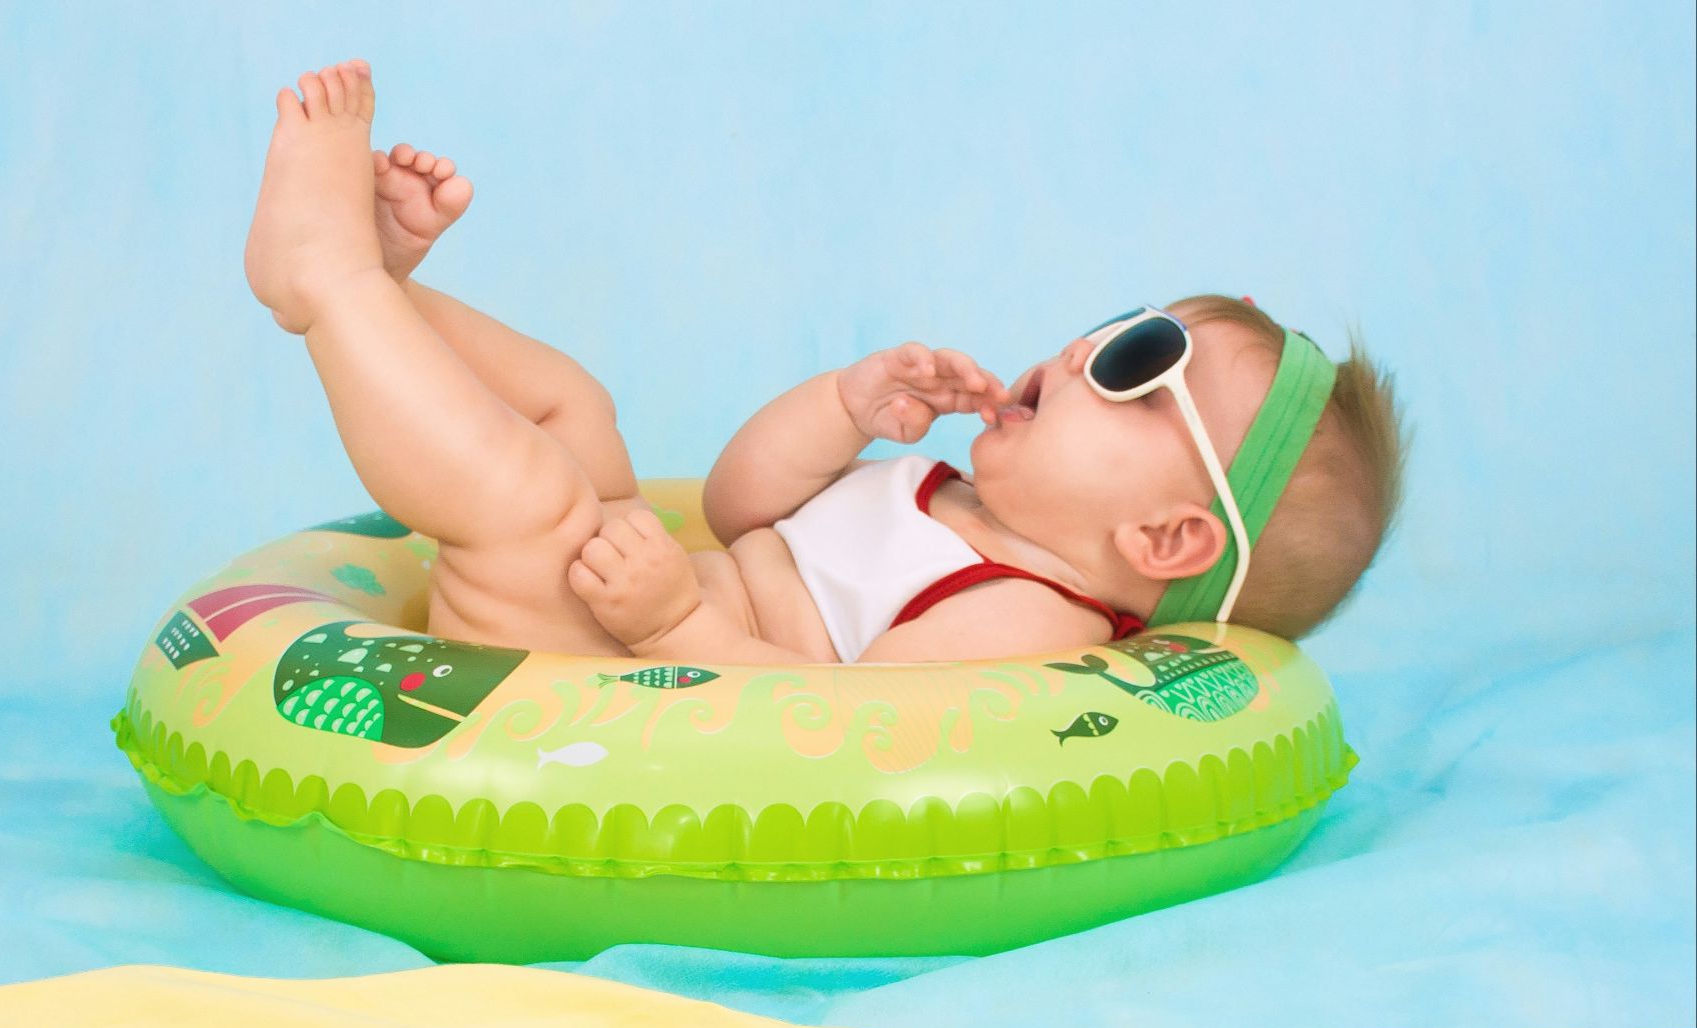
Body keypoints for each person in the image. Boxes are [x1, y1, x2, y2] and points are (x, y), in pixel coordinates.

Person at [244, 60, 1406, 664]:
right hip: (637, 597)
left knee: (532, 498)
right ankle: (389, 287)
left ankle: (327, 283)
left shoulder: (1022, 620)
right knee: (575, 408)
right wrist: (845, 407)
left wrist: (668, 630)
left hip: (600, 660)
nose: (1085, 345)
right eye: (1120, 320)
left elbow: (835, 725)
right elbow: (743, 505)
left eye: (1136, 365)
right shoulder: (942, 497)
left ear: (1164, 539)